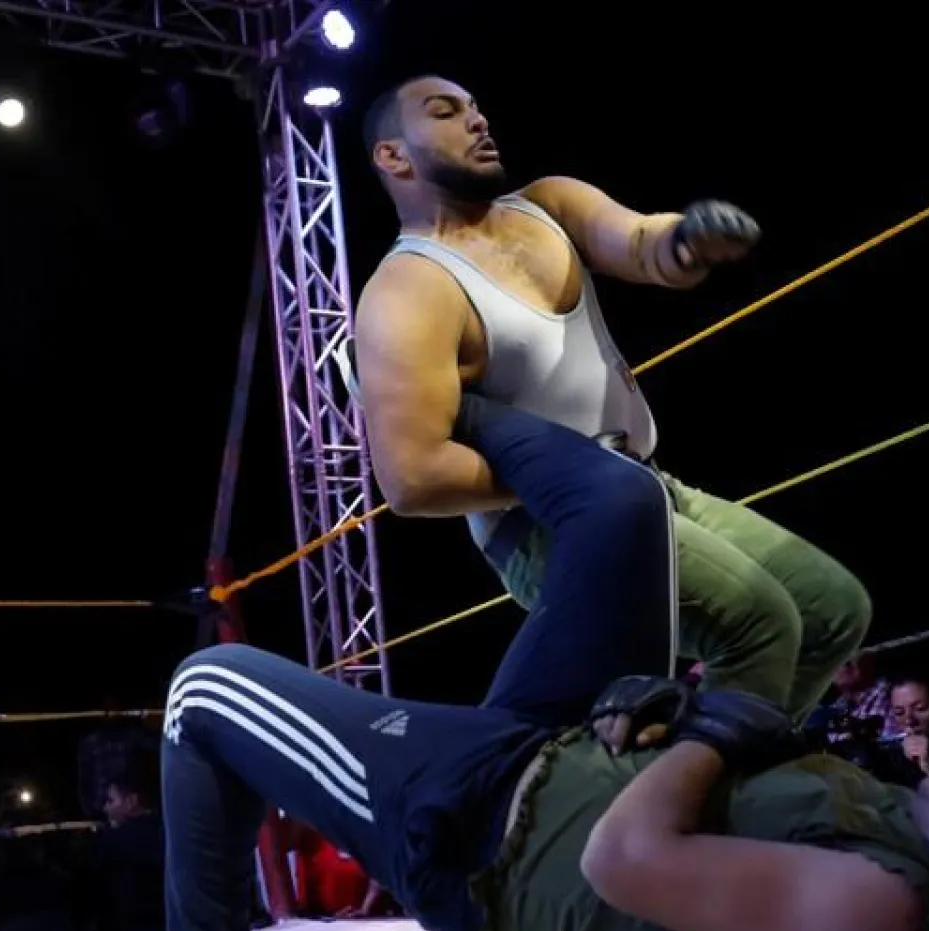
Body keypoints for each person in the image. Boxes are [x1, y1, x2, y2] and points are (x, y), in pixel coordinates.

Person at [76, 402, 929, 931]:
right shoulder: (902, 837)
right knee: (620, 505)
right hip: (569, 739)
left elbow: (625, 856)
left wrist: (716, 724)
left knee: (204, 689)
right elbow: (710, 793)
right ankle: (429, 408)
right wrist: (683, 714)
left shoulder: (880, 916)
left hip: (475, 820)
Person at [351, 74, 869, 720]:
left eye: (478, 108)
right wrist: (577, 482)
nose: (478, 121)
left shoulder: (548, 205)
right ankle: (684, 803)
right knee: (759, 624)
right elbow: (413, 476)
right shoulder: (407, 292)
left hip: (647, 483)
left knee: (831, 609)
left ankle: (704, 774)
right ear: (393, 155)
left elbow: (642, 242)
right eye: (446, 112)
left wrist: (688, 241)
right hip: (550, 525)